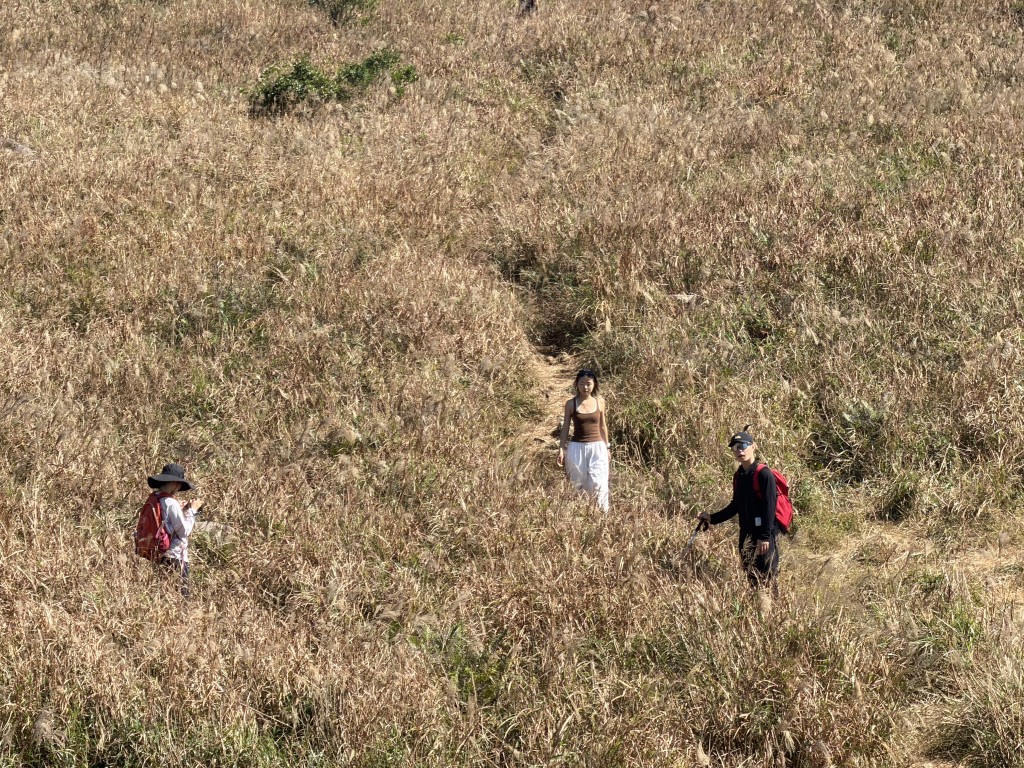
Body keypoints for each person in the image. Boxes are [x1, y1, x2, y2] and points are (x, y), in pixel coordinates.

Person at [698, 429, 779, 594]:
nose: (739, 450)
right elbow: (735, 506)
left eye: (742, 445)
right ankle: (757, 614)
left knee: (767, 579)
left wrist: (764, 537)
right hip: (746, 534)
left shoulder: (764, 474)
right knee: (751, 578)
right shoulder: (739, 475)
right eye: (734, 447)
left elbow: (769, 508)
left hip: (763, 536)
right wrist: (712, 518)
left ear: (753, 447)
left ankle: (773, 613)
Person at [146, 463, 203, 597]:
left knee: (164, 595)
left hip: (159, 553)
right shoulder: (171, 502)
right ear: (174, 483)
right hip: (175, 556)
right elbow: (184, 531)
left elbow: (166, 523)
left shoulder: (155, 498)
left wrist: (181, 509)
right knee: (182, 597)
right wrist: (192, 510)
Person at [557, 369, 610, 511]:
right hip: (576, 448)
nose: (585, 387)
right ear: (576, 385)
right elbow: (566, 428)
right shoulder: (570, 404)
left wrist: (607, 447)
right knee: (578, 483)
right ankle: (580, 514)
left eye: (588, 384)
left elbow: (603, 426)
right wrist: (561, 449)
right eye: (582, 384)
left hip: (598, 447)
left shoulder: (600, 402)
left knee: (598, 482)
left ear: (594, 384)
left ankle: (602, 515)